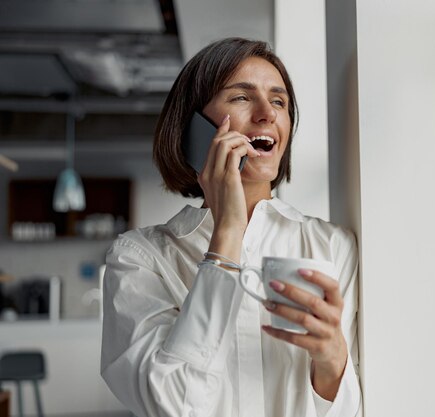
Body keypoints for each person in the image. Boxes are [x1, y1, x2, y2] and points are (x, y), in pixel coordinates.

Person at [100, 38, 361, 417]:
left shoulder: (332, 247)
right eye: (241, 97)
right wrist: (229, 232)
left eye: (279, 101)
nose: (266, 114)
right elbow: (171, 404)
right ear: (194, 129)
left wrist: (332, 361)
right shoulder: (140, 258)